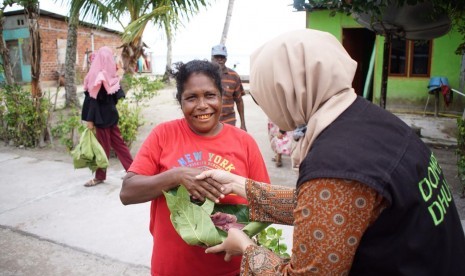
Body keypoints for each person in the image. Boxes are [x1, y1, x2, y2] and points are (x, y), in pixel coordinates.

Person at [197, 29, 465, 275]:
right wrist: (240, 185)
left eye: (264, 94)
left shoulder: (335, 163)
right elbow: (325, 207)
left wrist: (245, 247)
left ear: (288, 89)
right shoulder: (370, 118)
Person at [119, 60, 270, 276]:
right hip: (172, 268)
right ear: (180, 102)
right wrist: (176, 176)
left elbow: (266, 204)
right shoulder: (163, 135)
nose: (202, 105)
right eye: (191, 97)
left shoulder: (244, 142)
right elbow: (127, 192)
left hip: (230, 269)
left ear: (221, 97)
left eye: (210, 95)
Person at [81, 46, 133, 187]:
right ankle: (134, 171)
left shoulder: (97, 76)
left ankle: (99, 177)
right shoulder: (111, 75)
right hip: (111, 116)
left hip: (101, 119)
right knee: (119, 144)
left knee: (102, 148)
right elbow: (117, 96)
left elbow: (92, 100)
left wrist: (90, 120)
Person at [211, 44, 247, 131]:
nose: (219, 59)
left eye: (222, 57)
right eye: (217, 57)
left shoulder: (234, 76)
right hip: (209, 122)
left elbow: (239, 101)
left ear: (226, 59)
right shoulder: (205, 75)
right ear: (212, 58)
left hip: (229, 122)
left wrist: (243, 124)